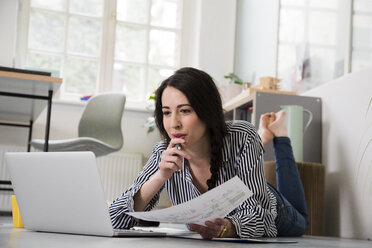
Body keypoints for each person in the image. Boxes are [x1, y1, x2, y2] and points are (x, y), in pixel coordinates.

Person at [109, 67, 308, 239]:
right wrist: (160, 176)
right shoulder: (163, 151)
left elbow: (258, 216)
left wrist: (228, 229)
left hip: (270, 207)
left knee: (303, 222)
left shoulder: (243, 135)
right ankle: (264, 137)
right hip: (242, 185)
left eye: (185, 111)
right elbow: (114, 218)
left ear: (207, 111)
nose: (173, 123)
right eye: (167, 112)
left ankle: (281, 136)